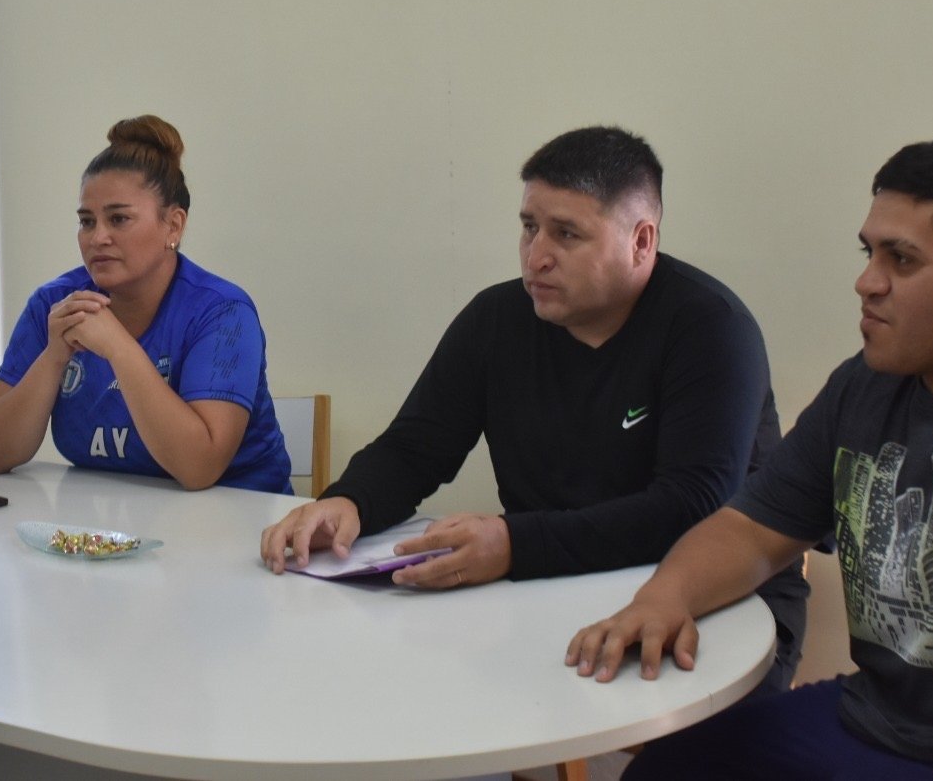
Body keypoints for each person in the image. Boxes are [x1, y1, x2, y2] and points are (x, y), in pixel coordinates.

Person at [261, 125, 808, 692]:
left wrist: (514, 545)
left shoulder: (711, 329)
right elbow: (415, 448)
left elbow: (692, 506)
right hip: (548, 587)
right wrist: (350, 501)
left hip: (716, 603)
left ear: (641, 241)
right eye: (529, 228)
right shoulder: (495, 319)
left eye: (566, 234)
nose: (536, 257)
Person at [567, 137, 933, 780]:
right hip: (876, 718)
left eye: (902, 259)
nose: (867, 282)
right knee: (669, 770)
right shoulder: (865, 384)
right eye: (870, 253)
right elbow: (752, 529)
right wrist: (663, 597)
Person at [0, 115, 291, 493]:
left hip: (240, 518)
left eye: (119, 219)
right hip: (108, 519)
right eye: (87, 222)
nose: (98, 238)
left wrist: (118, 348)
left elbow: (199, 468)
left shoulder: (223, 312)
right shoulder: (54, 305)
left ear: (173, 226)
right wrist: (54, 355)